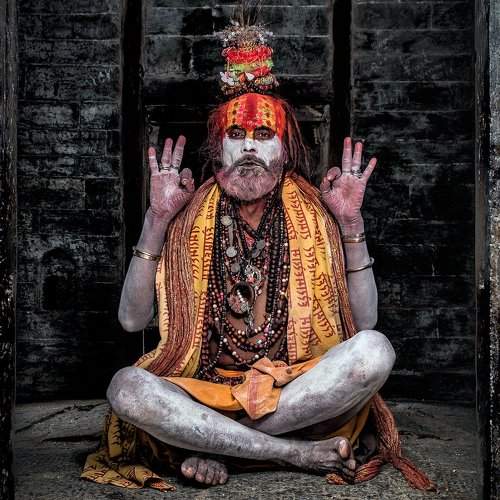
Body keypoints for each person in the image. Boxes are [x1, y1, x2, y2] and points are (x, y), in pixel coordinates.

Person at [82, 21, 433, 493]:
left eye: (264, 132)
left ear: (284, 150)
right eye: (237, 133)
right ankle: (291, 452)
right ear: (218, 148)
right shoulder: (185, 214)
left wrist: (351, 225)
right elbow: (131, 321)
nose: (249, 145)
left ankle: (217, 445)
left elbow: (365, 322)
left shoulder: (315, 213)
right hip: (207, 392)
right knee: (127, 389)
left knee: (375, 352)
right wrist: (157, 219)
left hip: (294, 392)